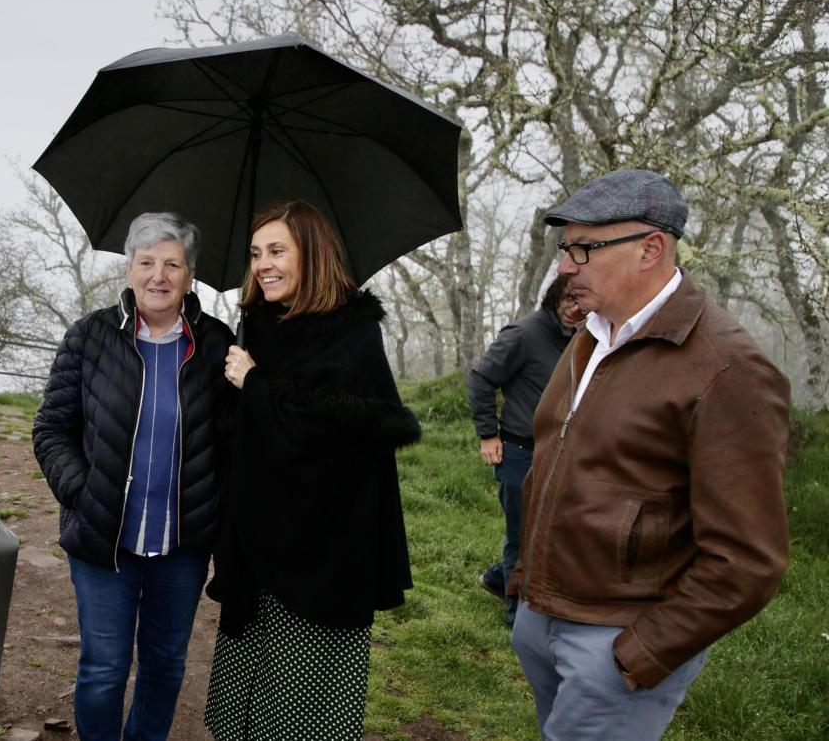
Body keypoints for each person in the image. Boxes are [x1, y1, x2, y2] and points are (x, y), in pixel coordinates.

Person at [510, 170, 790, 740]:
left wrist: (643, 651)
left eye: (584, 250)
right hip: (542, 617)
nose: (565, 267)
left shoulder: (726, 368)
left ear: (651, 249)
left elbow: (747, 559)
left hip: (617, 642)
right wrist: (526, 588)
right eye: (567, 250)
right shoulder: (592, 335)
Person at [203, 200, 422, 741]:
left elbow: (347, 432)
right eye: (255, 254)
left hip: (323, 545)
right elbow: (243, 431)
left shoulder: (350, 330)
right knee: (246, 702)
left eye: (278, 250)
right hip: (259, 536)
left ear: (313, 254)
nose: (263, 265)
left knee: (302, 711)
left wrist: (256, 385)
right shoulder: (258, 324)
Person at [32, 212, 233, 741]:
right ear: (129, 270)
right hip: (104, 539)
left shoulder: (216, 344)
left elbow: (233, 442)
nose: (158, 276)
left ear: (191, 276)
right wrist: (83, 491)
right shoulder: (89, 337)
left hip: (182, 543)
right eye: (147, 263)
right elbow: (52, 429)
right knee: (104, 668)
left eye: (173, 264)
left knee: (165, 666)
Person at [468, 274, 581, 626]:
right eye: (568, 300)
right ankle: (517, 615)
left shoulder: (582, 338)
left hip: (558, 454)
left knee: (549, 531)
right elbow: (481, 378)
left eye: (581, 302)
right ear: (553, 297)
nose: (574, 309)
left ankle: (498, 578)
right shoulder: (525, 333)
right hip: (519, 451)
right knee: (523, 535)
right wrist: (488, 434)